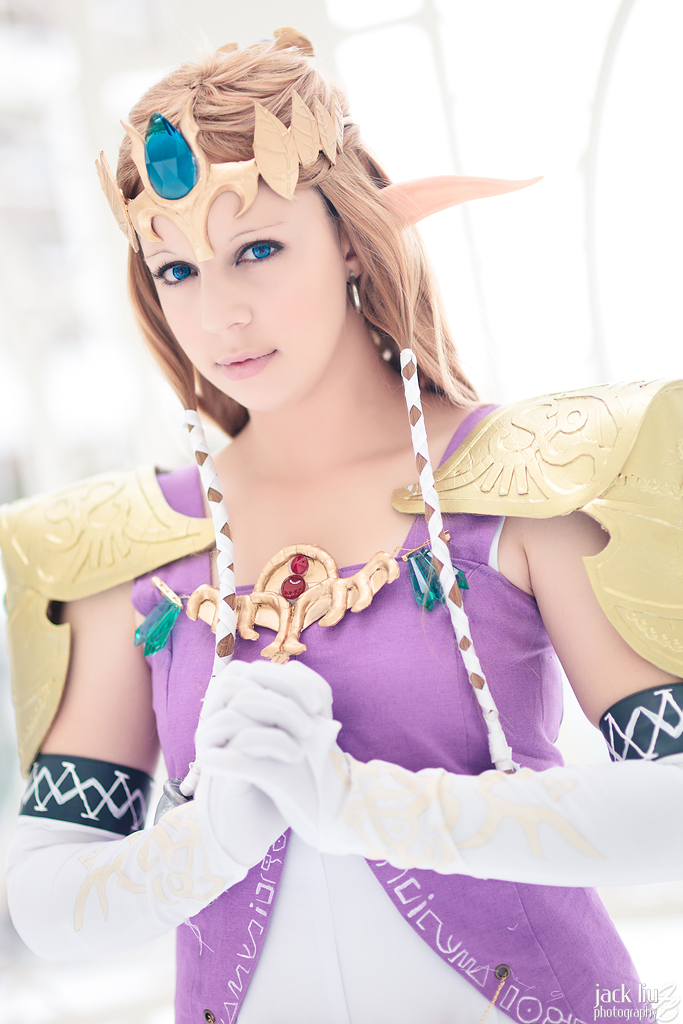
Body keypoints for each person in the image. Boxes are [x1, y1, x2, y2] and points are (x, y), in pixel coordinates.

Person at [2, 28, 682, 1024]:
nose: (219, 314)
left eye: (257, 250)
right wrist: (209, 839)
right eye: (176, 270)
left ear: (352, 238)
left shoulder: (530, 479)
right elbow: (46, 901)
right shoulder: (120, 548)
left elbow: (672, 806)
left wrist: (362, 804)